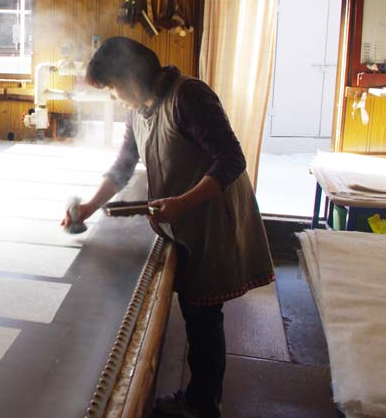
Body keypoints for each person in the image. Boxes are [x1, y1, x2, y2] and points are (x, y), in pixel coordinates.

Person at [63, 37, 274, 418]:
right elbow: (124, 166)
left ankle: (203, 405)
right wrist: (90, 208)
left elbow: (231, 159)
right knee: (197, 316)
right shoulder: (140, 110)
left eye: (111, 87)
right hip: (185, 218)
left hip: (211, 220)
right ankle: (199, 398)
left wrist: (181, 203)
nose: (112, 97)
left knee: (204, 318)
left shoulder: (188, 96)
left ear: (130, 76)